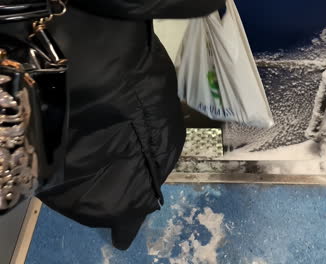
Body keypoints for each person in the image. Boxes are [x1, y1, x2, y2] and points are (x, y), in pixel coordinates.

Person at [2, 0, 225, 250]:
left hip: (35, 123)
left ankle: (119, 224)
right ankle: (124, 232)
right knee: (126, 191)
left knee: (52, 158)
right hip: (119, 119)